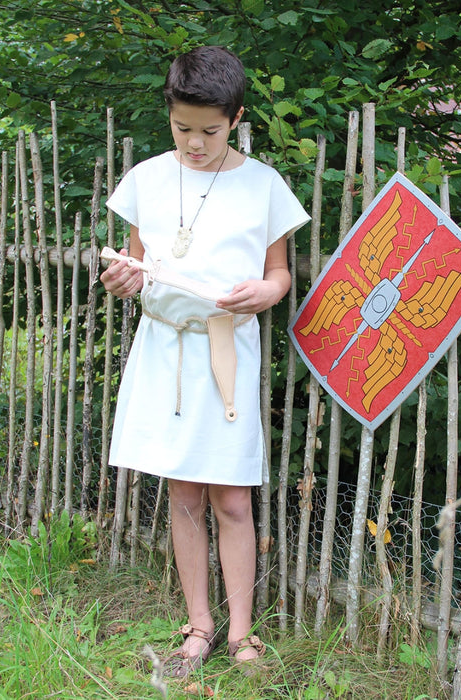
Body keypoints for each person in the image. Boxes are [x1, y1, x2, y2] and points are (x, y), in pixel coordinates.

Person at [100, 45, 310, 677]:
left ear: (236, 118)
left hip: (227, 352)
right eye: (182, 128)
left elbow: (280, 273)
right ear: (169, 114)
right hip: (164, 349)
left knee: (234, 499)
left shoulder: (264, 185)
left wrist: (268, 291)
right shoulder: (146, 179)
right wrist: (124, 280)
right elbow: (135, 264)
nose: (194, 143)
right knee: (184, 492)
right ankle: (199, 625)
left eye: (210, 132)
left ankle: (242, 633)